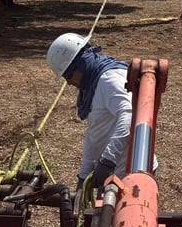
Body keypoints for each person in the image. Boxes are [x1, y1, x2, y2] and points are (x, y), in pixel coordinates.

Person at [46, 32, 132, 193]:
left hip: (127, 177)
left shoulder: (110, 81)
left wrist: (107, 160)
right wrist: (83, 176)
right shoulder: (93, 83)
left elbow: (130, 117)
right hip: (111, 176)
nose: (69, 83)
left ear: (81, 64)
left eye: (69, 75)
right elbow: (95, 132)